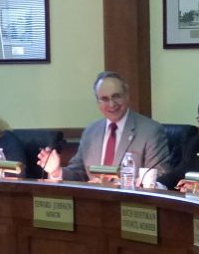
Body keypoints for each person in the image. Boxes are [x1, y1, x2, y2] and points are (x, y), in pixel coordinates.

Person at [38, 71, 170, 181]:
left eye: (116, 96)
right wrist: (57, 171)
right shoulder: (91, 132)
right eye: (105, 99)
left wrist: (124, 184)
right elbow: (78, 173)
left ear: (127, 96)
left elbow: (159, 177)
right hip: (94, 205)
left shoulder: (150, 131)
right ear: (98, 101)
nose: (112, 104)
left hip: (131, 206)